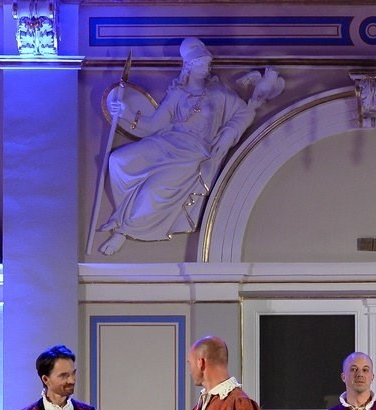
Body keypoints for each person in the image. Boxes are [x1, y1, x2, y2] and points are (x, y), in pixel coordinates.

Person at [95, 37, 283, 255]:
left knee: (154, 189)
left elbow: (244, 113)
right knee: (119, 160)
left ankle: (124, 231)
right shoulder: (177, 94)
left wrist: (228, 134)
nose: (206, 67)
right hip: (167, 142)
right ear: (188, 66)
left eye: (207, 62)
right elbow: (154, 125)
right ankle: (121, 213)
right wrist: (126, 114)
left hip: (194, 152)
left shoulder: (219, 93)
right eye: (200, 63)